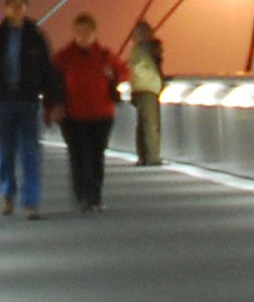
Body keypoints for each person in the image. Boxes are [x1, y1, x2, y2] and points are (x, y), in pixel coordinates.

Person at [0, 0, 56, 218]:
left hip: (28, 101)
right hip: (4, 100)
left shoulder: (36, 38)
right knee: (4, 150)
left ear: (26, 8)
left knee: (30, 151)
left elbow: (47, 72)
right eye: (12, 5)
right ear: (5, 7)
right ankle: (7, 194)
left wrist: (52, 102)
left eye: (21, 5)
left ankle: (31, 202)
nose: (16, 9)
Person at [51, 14, 125, 211]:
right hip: (73, 115)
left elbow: (124, 71)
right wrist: (53, 107)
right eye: (79, 32)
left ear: (94, 33)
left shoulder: (104, 55)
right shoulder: (64, 56)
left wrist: (114, 74)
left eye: (87, 32)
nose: (83, 36)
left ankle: (95, 195)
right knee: (77, 156)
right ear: (74, 33)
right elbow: (51, 81)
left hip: (101, 114)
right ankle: (82, 194)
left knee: (96, 156)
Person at [124, 21, 168, 166]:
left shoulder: (135, 51)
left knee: (142, 125)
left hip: (139, 88)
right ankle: (152, 158)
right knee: (151, 124)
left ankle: (143, 157)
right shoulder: (147, 50)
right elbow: (154, 66)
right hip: (148, 88)